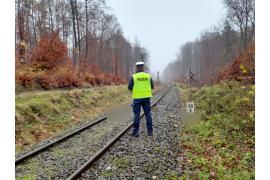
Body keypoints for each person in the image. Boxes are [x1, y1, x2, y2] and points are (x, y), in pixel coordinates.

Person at [128, 61, 154, 137]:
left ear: (137, 68)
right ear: (143, 67)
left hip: (137, 98)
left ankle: (135, 132)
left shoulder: (134, 76)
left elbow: (129, 87)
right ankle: (150, 132)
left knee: (136, 115)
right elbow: (152, 87)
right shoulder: (148, 76)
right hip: (146, 98)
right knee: (148, 114)